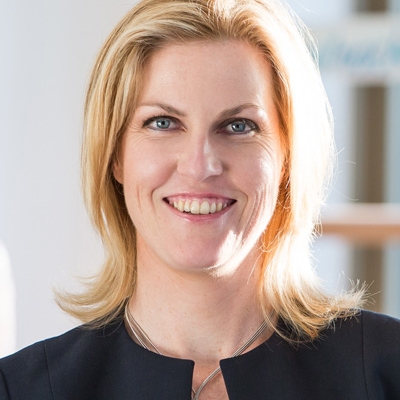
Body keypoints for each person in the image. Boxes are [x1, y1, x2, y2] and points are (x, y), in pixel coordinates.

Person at [1, 0, 399, 398]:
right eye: (163, 123)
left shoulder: (388, 371)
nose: (200, 166)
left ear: (287, 158)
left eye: (238, 126)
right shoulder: (20, 389)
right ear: (115, 154)